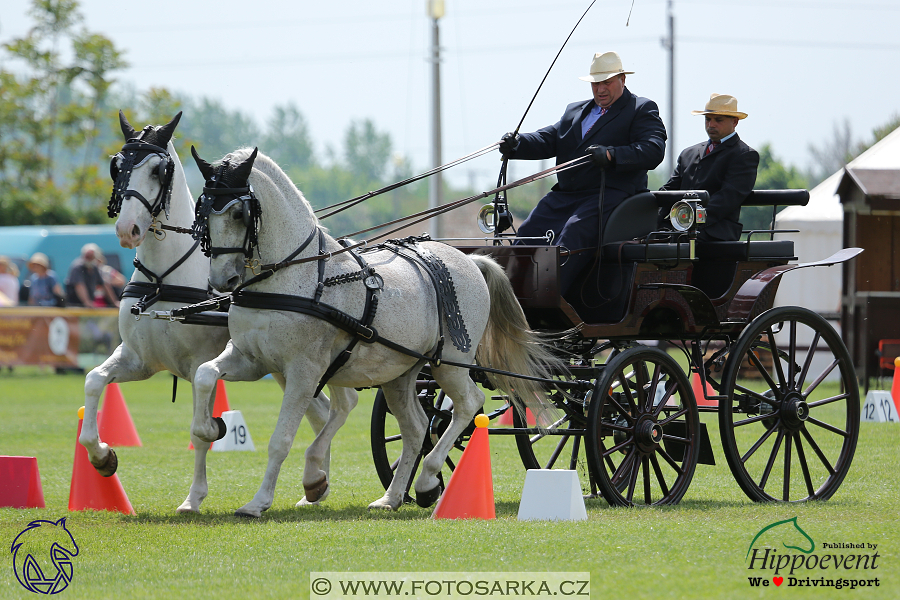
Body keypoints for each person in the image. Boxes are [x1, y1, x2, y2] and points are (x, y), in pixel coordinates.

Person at [498, 51, 667, 296]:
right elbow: (549, 139)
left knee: (572, 235)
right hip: (566, 196)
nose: (600, 89)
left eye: (607, 82)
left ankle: (549, 302)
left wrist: (611, 155)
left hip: (610, 195)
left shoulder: (640, 109)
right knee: (527, 234)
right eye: (595, 83)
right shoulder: (574, 111)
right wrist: (518, 144)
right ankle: (513, 298)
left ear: (622, 79)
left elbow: (653, 149)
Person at [660, 93, 759, 242]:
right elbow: (669, 191)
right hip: (682, 227)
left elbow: (727, 199)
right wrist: (654, 219)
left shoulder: (744, 155)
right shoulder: (688, 153)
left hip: (716, 233)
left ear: (735, 122)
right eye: (708, 119)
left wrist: (690, 220)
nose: (711, 125)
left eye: (718, 120)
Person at [64, 243, 119, 308]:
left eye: (91, 256)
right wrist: (87, 302)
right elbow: (79, 286)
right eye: (87, 256)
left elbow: (104, 285)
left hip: (87, 306)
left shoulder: (94, 267)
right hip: (75, 306)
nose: (89, 259)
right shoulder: (77, 267)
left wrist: (114, 302)